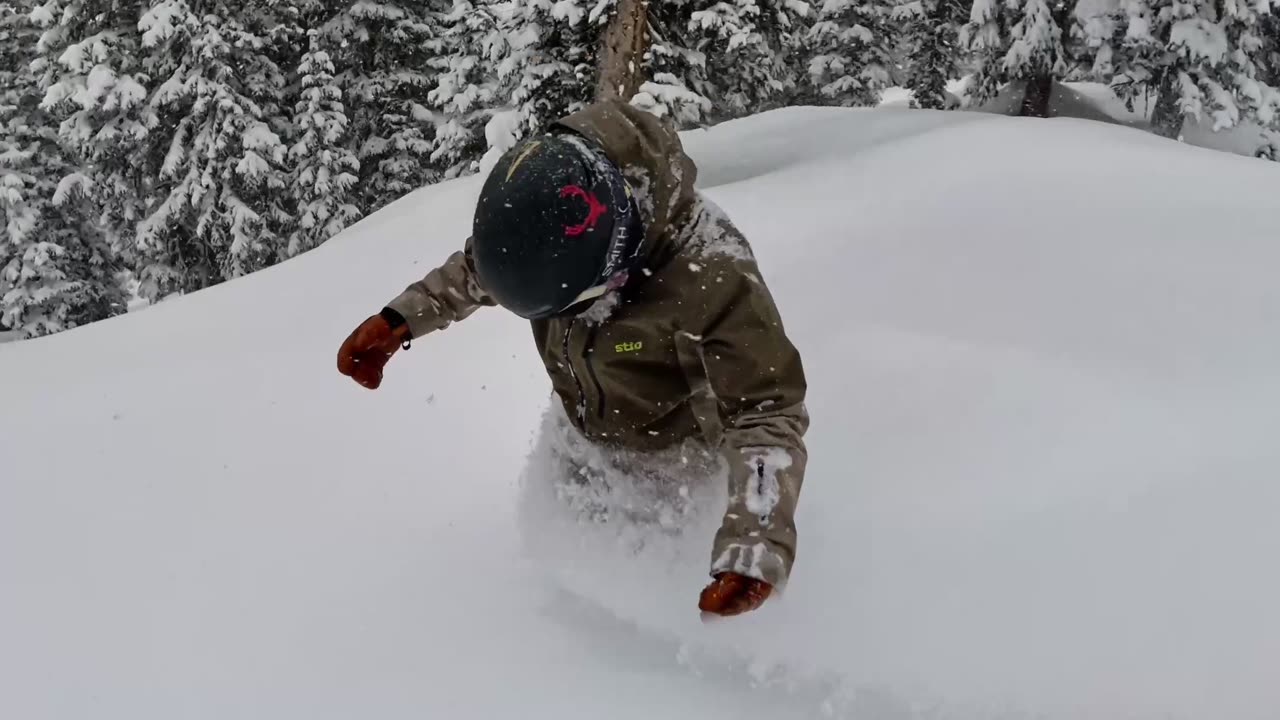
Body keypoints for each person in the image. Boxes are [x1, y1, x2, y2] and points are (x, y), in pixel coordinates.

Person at [337, 100, 808, 618]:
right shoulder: (549, 209)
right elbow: (478, 271)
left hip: (677, 461)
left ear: (610, 268)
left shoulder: (711, 273)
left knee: (642, 609)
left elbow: (766, 412)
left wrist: (753, 549)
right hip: (582, 431)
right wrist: (399, 320)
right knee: (567, 589)